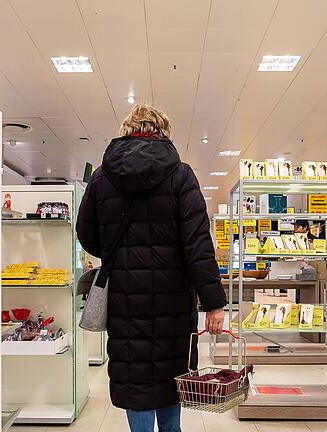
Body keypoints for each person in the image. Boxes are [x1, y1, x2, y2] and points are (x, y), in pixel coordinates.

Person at [77, 103, 227, 432]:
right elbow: (198, 245)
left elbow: (86, 235)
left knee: (137, 379)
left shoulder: (103, 176)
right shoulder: (181, 174)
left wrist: (120, 255)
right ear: (163, 131)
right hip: (173, 302)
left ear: (128, 130)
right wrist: (214, 302)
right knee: (171, 378)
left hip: (126, 302)